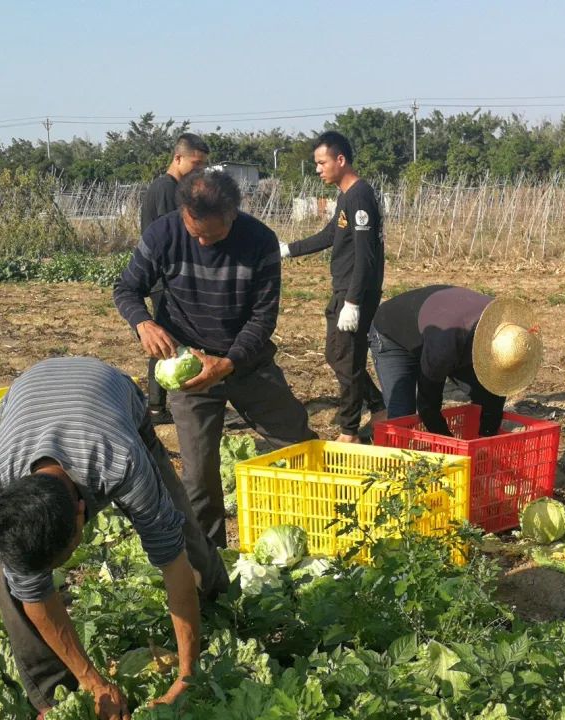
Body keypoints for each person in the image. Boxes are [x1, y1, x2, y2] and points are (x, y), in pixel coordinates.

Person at [0, 357, 230, 720]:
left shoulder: (121, 463)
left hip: (112, 394)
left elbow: (172, 564)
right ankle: (56, 700)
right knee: (12, 585)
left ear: (83, 512)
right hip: (27, 396)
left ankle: (220, 601)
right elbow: (34, 594)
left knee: (177, 524)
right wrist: (93, 682)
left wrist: (187, 676)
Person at [114, 167, 316, 551]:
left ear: (233, 214)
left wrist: (229, 363)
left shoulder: (260, 241)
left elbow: (263, 318)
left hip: (248, 364)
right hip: (190, 369)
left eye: (214, 234)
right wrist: (142, 323)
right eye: (196, 233)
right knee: (198, 476)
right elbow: (126, 288)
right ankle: (211, 561)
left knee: (295, 441)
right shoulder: (163, 234)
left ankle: (312, 527)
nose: (204, 243)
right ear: (183, 213)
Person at [280, 131, 386, 442]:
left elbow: (366, 257)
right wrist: (289, 249)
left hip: (355, 292)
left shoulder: (360, 196)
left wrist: (353, 302)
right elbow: (330, 235)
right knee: (337, 355)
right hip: (344, 289)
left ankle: (349, 429)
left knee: (347, 358)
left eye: (321, 162)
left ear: (340, 160)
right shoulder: (346, 196)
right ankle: (379, 406)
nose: (318, 169)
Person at [368, 285, 543, 437]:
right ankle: (399, 467)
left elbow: (494, 394)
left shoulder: (503, 325)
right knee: (403, 414)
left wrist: (485, 438)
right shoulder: (445, 347)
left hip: (440, 323)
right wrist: (449, 444)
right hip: (392, 334)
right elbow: (427, 406)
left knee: (486, 392)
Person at [139, 133, 211, 424]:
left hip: (167, 277)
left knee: (168, 339)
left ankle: (160, 404)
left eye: (203, 165)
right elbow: (173, 236)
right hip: (165, 279)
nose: (199, 170)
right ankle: (157, 407)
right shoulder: (167, 189)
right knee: (165, 340)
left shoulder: (169, 186)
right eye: (196, 163)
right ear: (178, 158)